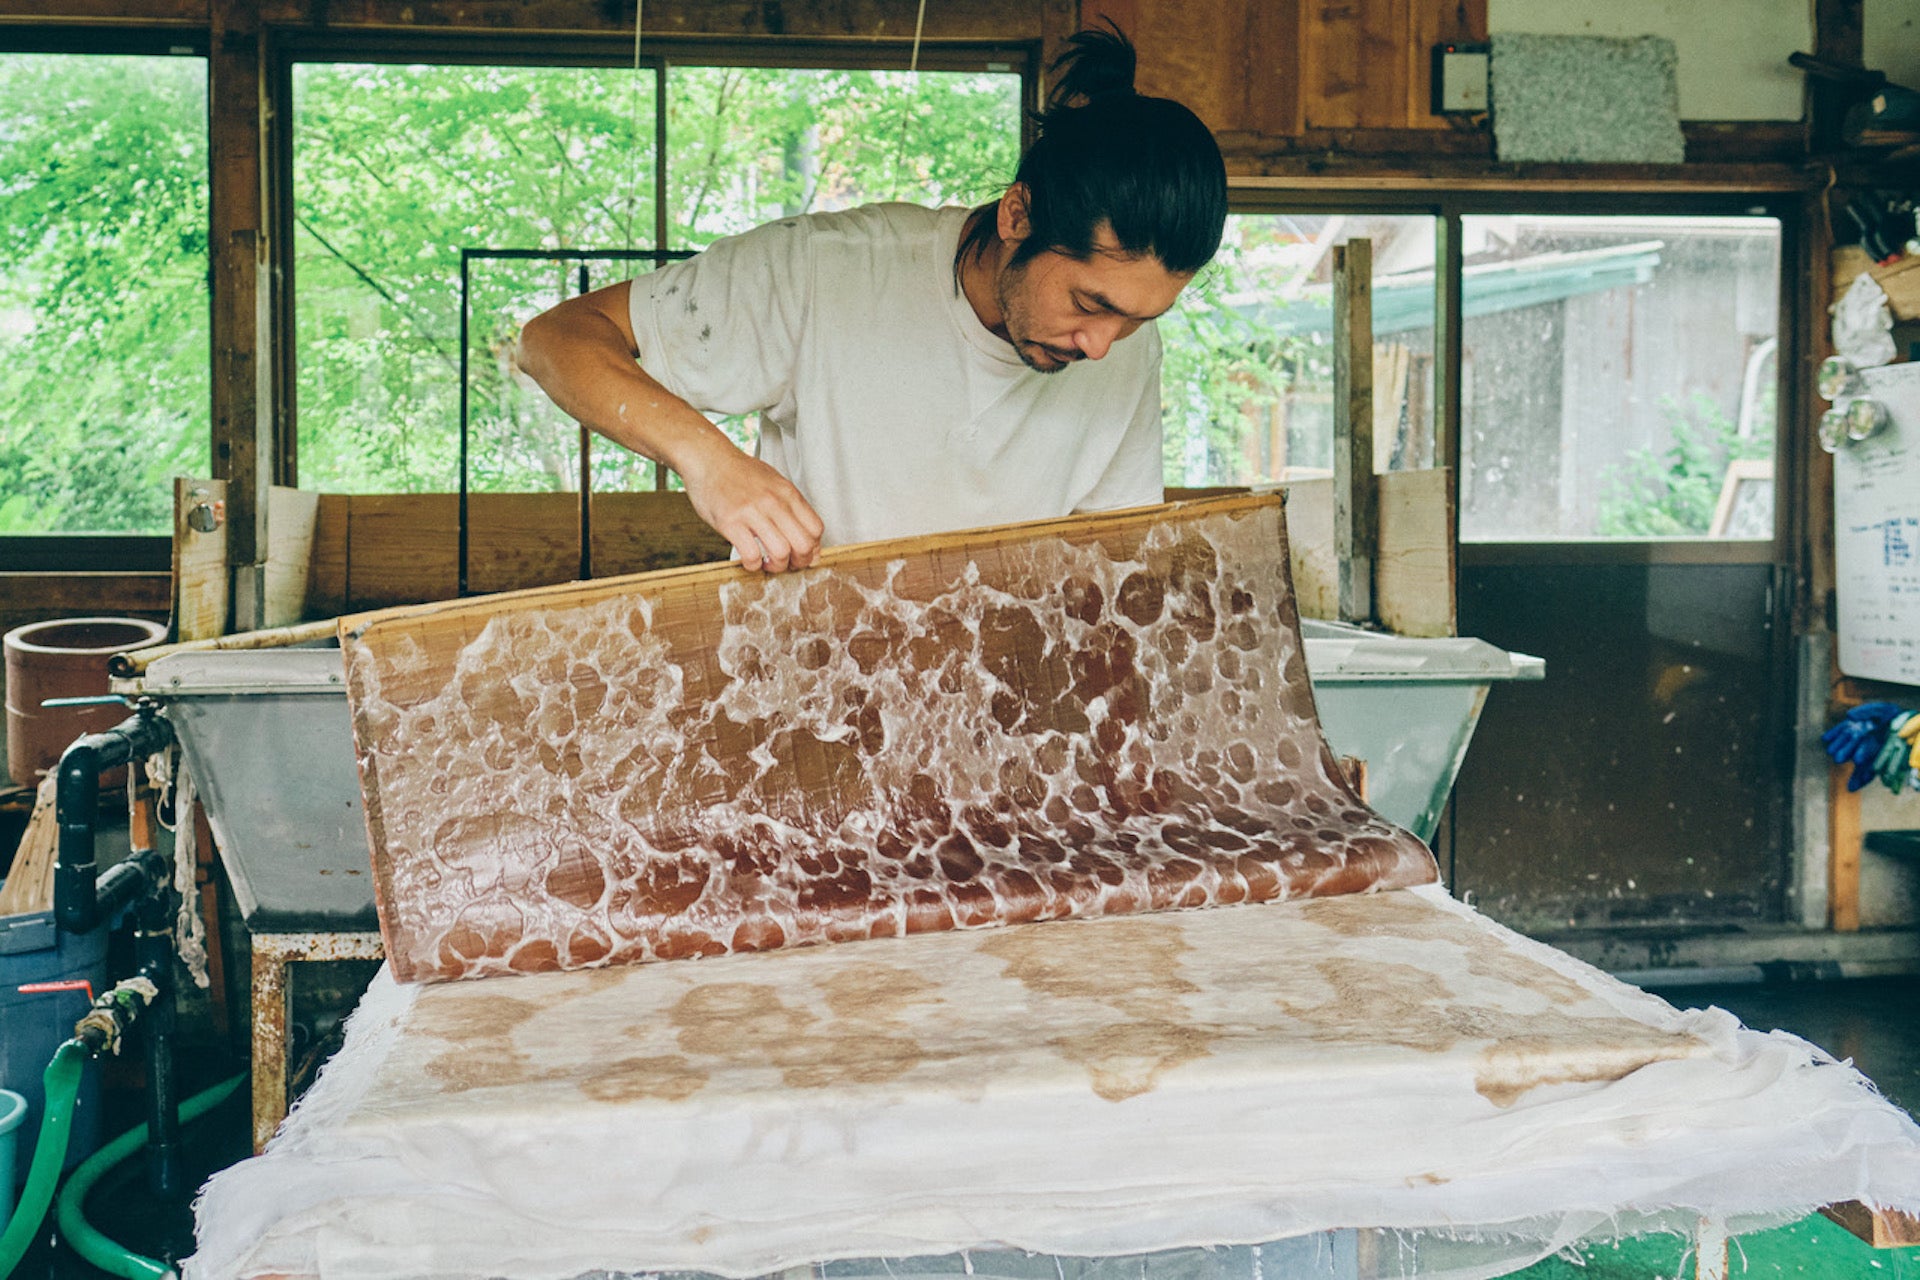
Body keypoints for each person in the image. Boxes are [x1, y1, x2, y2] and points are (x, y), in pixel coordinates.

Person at [516, 25, 1227, 573]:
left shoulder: (1126, 349)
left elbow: (1111, 570)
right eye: (1089, 302)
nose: (1100, 345)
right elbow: (555, 339)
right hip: (813, 694)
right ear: (1019, 216)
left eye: (1138, 319)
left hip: (993, 704)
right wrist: (711, 463)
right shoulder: (825, 271)